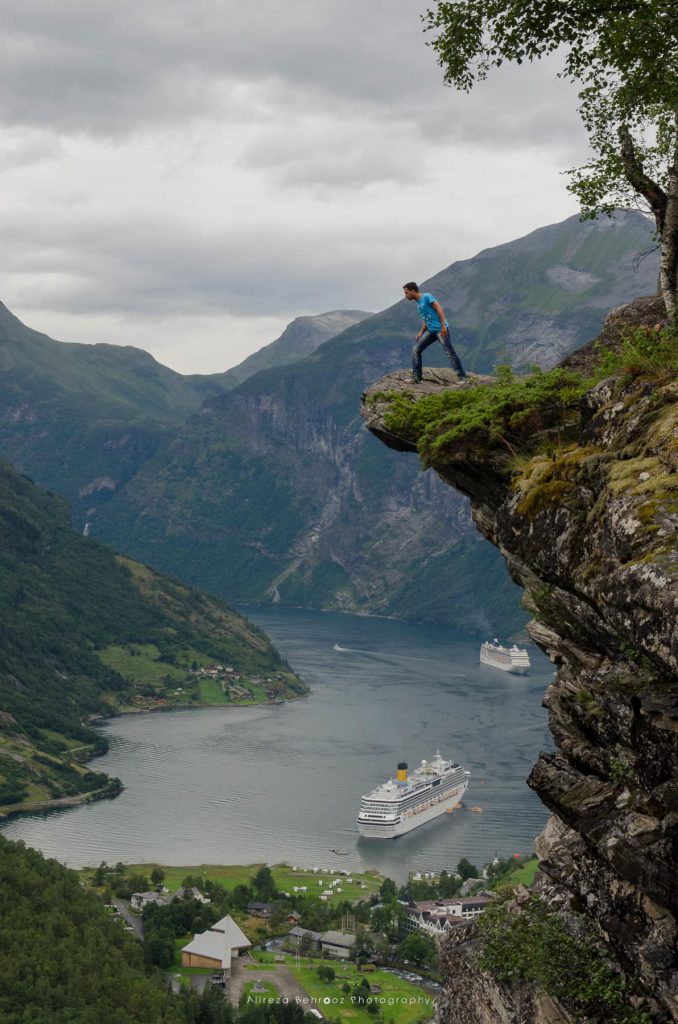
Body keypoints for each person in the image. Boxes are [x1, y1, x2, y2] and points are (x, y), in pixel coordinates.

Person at [403, 282, 467, 383]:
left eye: (406, 293)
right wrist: (421, 332)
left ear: (413, 291)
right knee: (416, 349)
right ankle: (417, 378)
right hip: (430, 330)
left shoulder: (427, 297)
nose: (405, 295)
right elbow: (427, 318)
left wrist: (443, 327)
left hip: (440, 330)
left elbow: (439, 309)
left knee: (449, 352)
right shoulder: (418, 304)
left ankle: (462, 377)